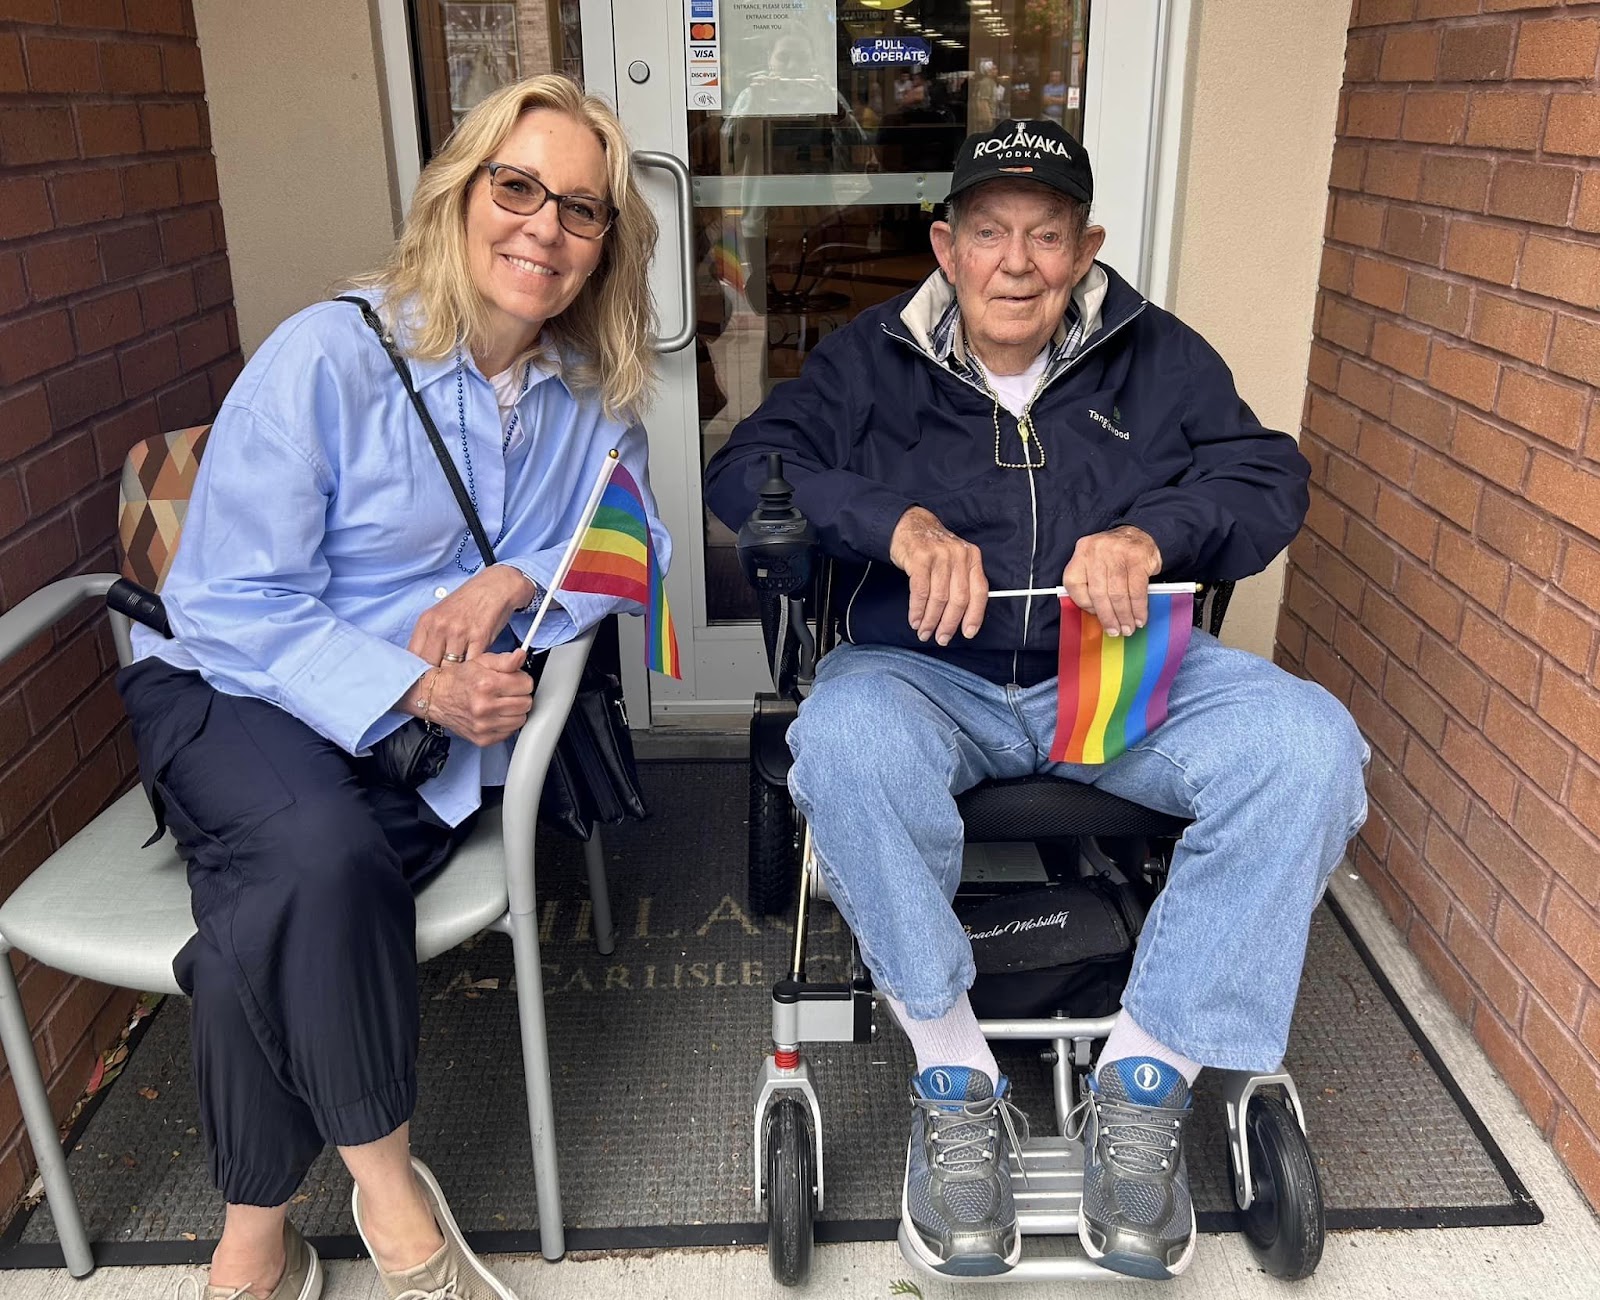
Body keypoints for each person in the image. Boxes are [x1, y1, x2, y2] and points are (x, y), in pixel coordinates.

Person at [705, 117, 1367, 1281]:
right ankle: (954, 1077)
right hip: (925, 674)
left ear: (1085, 246)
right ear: (945, 245)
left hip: (1113, 676)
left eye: (1046, 236)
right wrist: (893, 525)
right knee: (841, 737)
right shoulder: (869, 358)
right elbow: (750, 465)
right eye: (991, 233)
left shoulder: (1155, 355)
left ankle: (1143, 1080)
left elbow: (1266, 475)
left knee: (1307, 744)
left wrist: (1149, 533)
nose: (1017, 262)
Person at [117, 75, 670, 1300]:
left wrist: (518, 576)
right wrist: (416, 693)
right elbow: (226, 603)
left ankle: (254, 1246)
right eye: (516, 187)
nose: (543, 227)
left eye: (580, 211)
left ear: (603, 249)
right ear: (459, 196)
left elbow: (633, 550)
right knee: (317, 858)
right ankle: (397, 1204)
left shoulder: (580, 397)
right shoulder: (328, 354)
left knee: (248, 935)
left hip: (408, 742)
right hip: (230, 690)